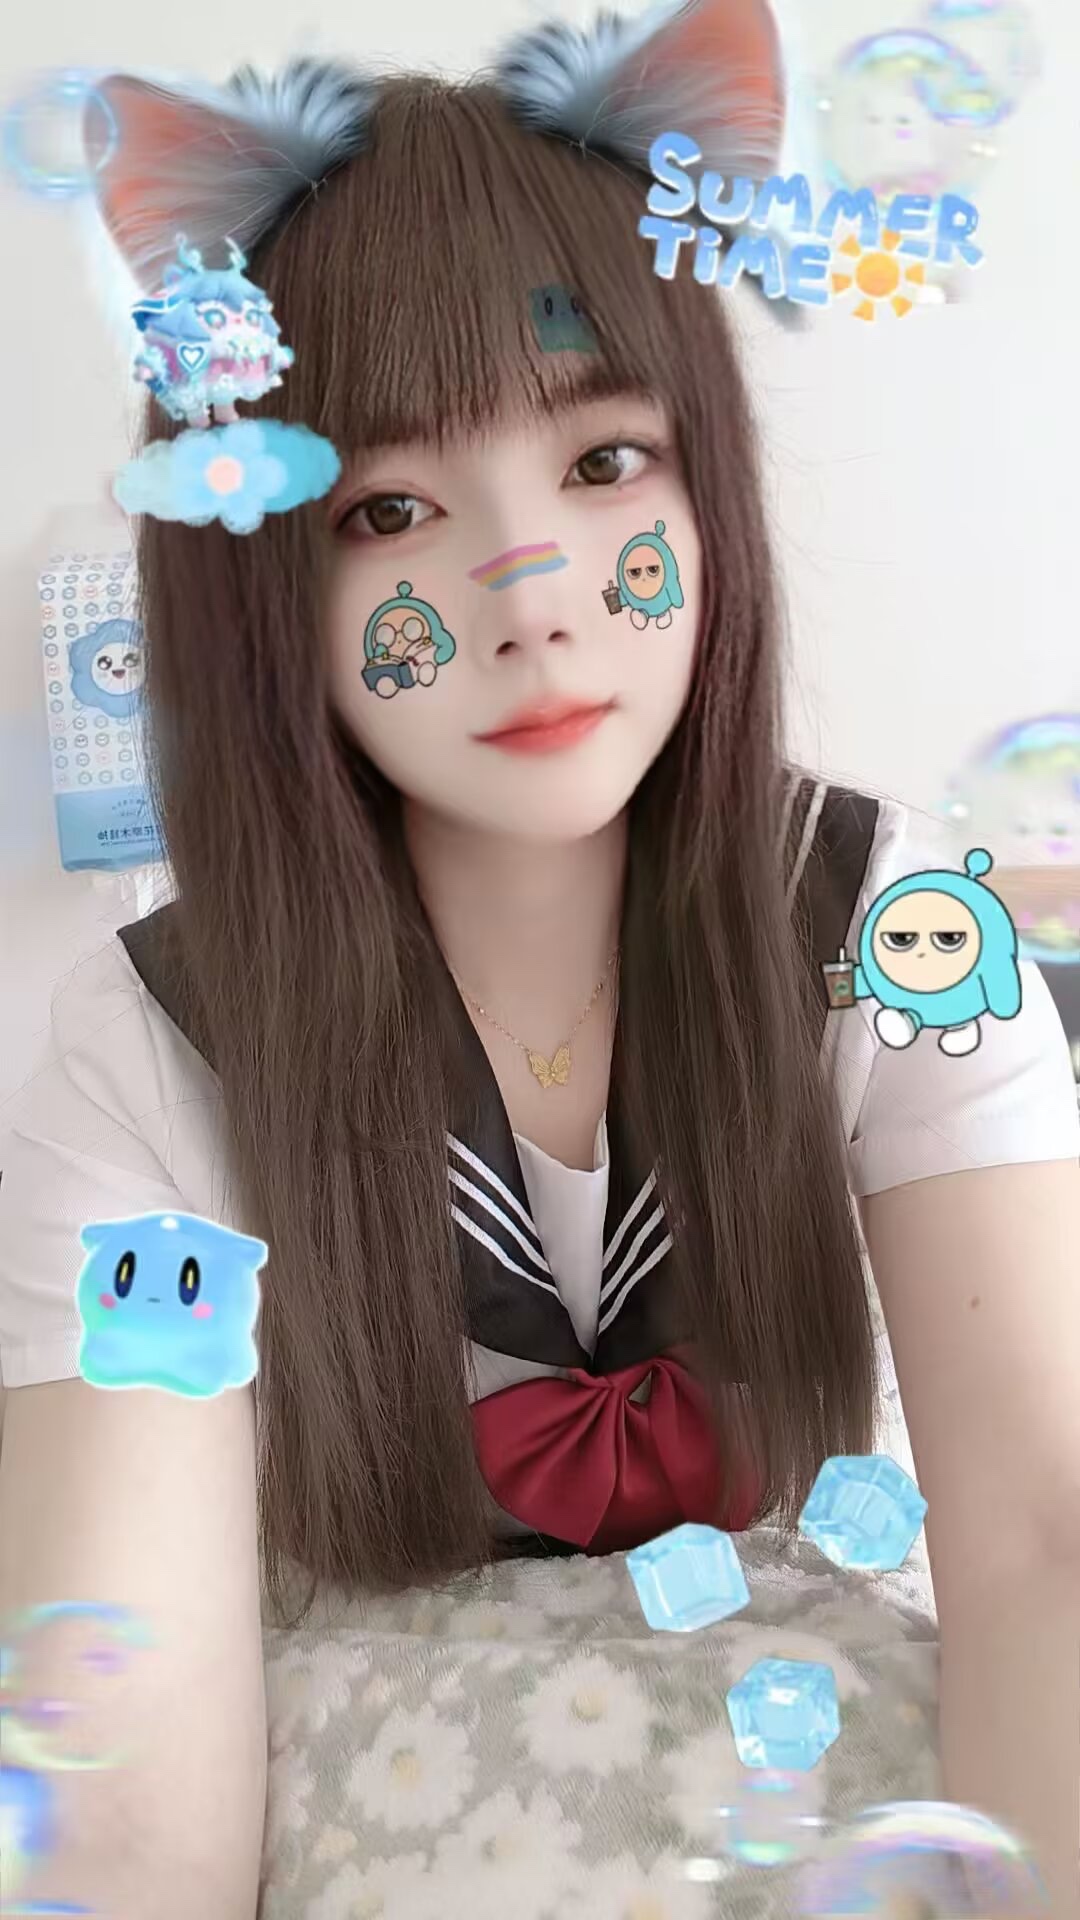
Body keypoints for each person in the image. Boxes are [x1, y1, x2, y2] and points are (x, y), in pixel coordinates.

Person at [0, 4, 1077, 1914]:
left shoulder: (899, 931)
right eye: (391, 509)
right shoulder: (152, 1043)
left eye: (605, 460)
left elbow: (1046, 1542)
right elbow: (127, 1748)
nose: (535, 601)